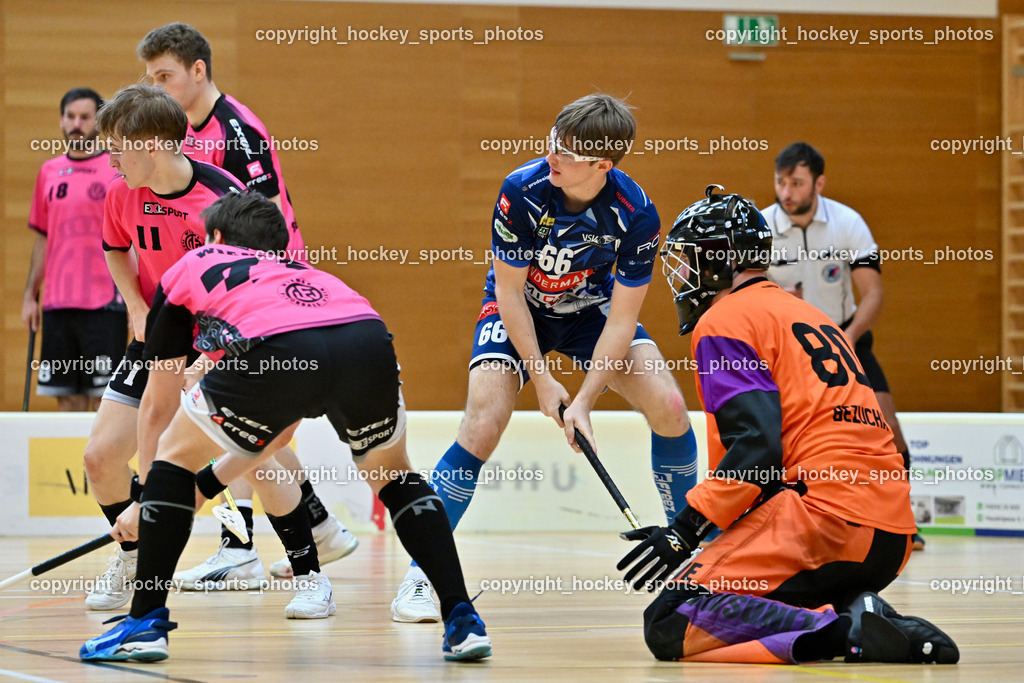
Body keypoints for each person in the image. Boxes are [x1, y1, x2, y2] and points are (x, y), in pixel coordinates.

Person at [79, 191, 492, 663]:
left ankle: (144, 623)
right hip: (365, 337)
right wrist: (199, 491)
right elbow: (275, 431)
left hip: (278, 349)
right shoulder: (307, 277)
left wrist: (152, 499)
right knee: (397, 480)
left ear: (214, 238)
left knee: (172, 456)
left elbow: (156, 406)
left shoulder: (193, 266)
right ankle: (462, 619)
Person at [617, 185, 958, 665]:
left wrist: (683, 532)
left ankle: (845, 633)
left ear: (719, 259)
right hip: (890, 535)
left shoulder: (725, 320)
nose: (683, 275)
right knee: (759, 593)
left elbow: (757, 448)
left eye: (690, 259)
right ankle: (858, 608)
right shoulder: (810, 315)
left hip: (825, 517)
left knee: (671, 619)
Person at [390, 94, 698, 622]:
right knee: (484, 421)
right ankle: (423, 577)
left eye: (568, 151)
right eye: (552, 139)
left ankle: (691, 558)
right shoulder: (522, 191)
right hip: (519, 309)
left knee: (670, 404)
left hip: (589, 312)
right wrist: (543, 377)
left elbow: (622, 321)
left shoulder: (637, 214)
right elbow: (508, 294)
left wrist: (583, 401)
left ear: (604, 164)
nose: (552, 154)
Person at [81, 85, 324, 619]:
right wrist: (136, 307)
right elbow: (115, 249)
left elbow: (257, 285)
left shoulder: (221, 198)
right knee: (100, 458)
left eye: (117, 145)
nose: (110, 157)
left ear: (149, 144)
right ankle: (135, 554)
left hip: (223, 337)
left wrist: (208, 360)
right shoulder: (123, 190)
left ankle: (310, 576)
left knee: (254, 457)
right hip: (158, 336)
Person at [136, 22, 355, 579]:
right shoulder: (187, 129)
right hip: (229, 290)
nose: (157, 88)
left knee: (230, 419)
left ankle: (252, 547)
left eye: (165, 76)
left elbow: (265, 228)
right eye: (150, 78)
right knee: (244, 425)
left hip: (259, 292)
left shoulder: (238, 133)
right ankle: (313, 530)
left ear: (198, 71)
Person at [763, 142, 924, 551]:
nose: (787, 192)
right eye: (781, 182)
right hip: (788, 349)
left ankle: (904, 521)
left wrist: (847, 341)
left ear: (819, 182)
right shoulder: (761, 229)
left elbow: (872, 293)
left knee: (887, 429)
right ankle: (791, 522)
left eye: (796, 183)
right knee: (783, 437)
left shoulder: (848, 223)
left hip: (847, 338)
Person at [23, 88, 126, 411]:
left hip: (105, 305)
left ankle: (98, 463)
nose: (76, 124)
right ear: (61, 121)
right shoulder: (49, 172)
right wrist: (30, 295)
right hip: (57, 304)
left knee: (103, 399)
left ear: (98, 122)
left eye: (84, 117)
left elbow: (130, 239)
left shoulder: (115, 170)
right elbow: (43, 237)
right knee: (66, 396)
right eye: (70, 117)